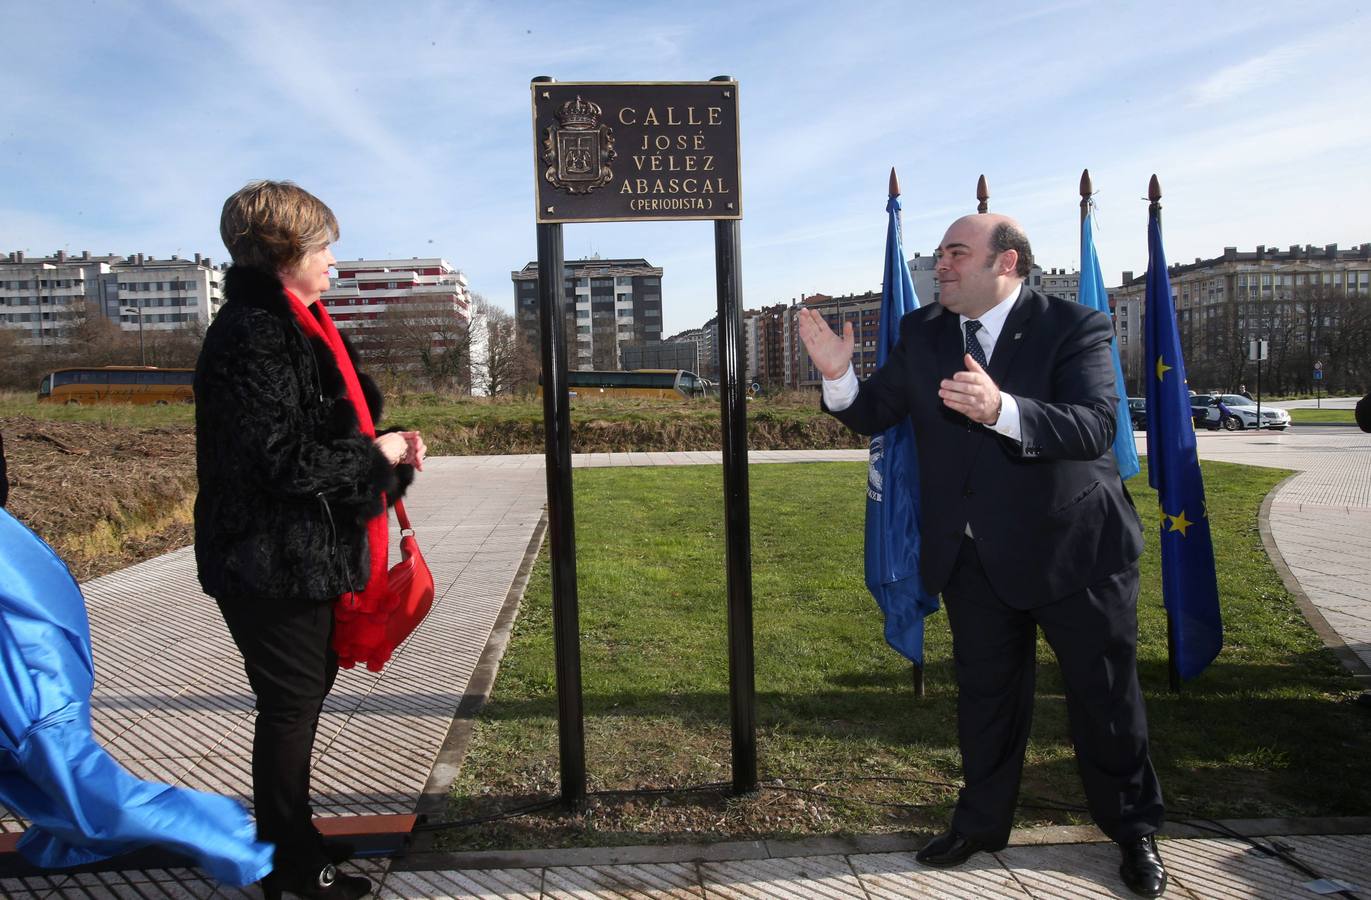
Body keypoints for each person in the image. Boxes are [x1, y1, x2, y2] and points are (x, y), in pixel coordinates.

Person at [799, 213, 1166, 898]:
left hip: (1075, 552)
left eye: (955, 253)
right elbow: (877, 410)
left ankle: (1133, 829)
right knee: (986, 700)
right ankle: (981, 823)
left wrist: (1002, 408)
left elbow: (1095, 426)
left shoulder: (1074, 325)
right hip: (972, 557)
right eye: (939, 253)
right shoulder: (922, 332)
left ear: (1007, 263)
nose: (939, 265)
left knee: (1104, 698)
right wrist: (839, 379)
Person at [195, 180, 425, 900]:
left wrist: (380, 449)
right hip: (269, 561)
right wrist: (374, 456)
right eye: (323, 245)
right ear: (282, 249)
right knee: (291, 709)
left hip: (300, 557)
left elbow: (316, 440)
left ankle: (293, 839)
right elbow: (279, 461)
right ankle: (289, 867)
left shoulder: (299, 326)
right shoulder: (254, 333)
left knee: (299, 705)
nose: (333, 259)